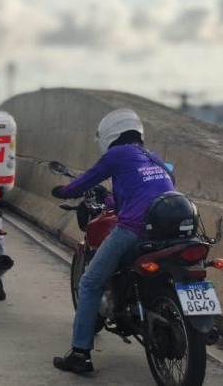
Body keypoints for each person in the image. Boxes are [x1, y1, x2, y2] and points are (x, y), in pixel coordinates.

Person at [50, 109, 177, 374]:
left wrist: (63, 190)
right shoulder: (153, 157)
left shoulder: (117, 155)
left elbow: (85, 180)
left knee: (89, 283)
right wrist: (108, 198)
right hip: (167, 230)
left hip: (134, 231)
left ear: (111, 134)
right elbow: (131, 198)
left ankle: (80, 354)